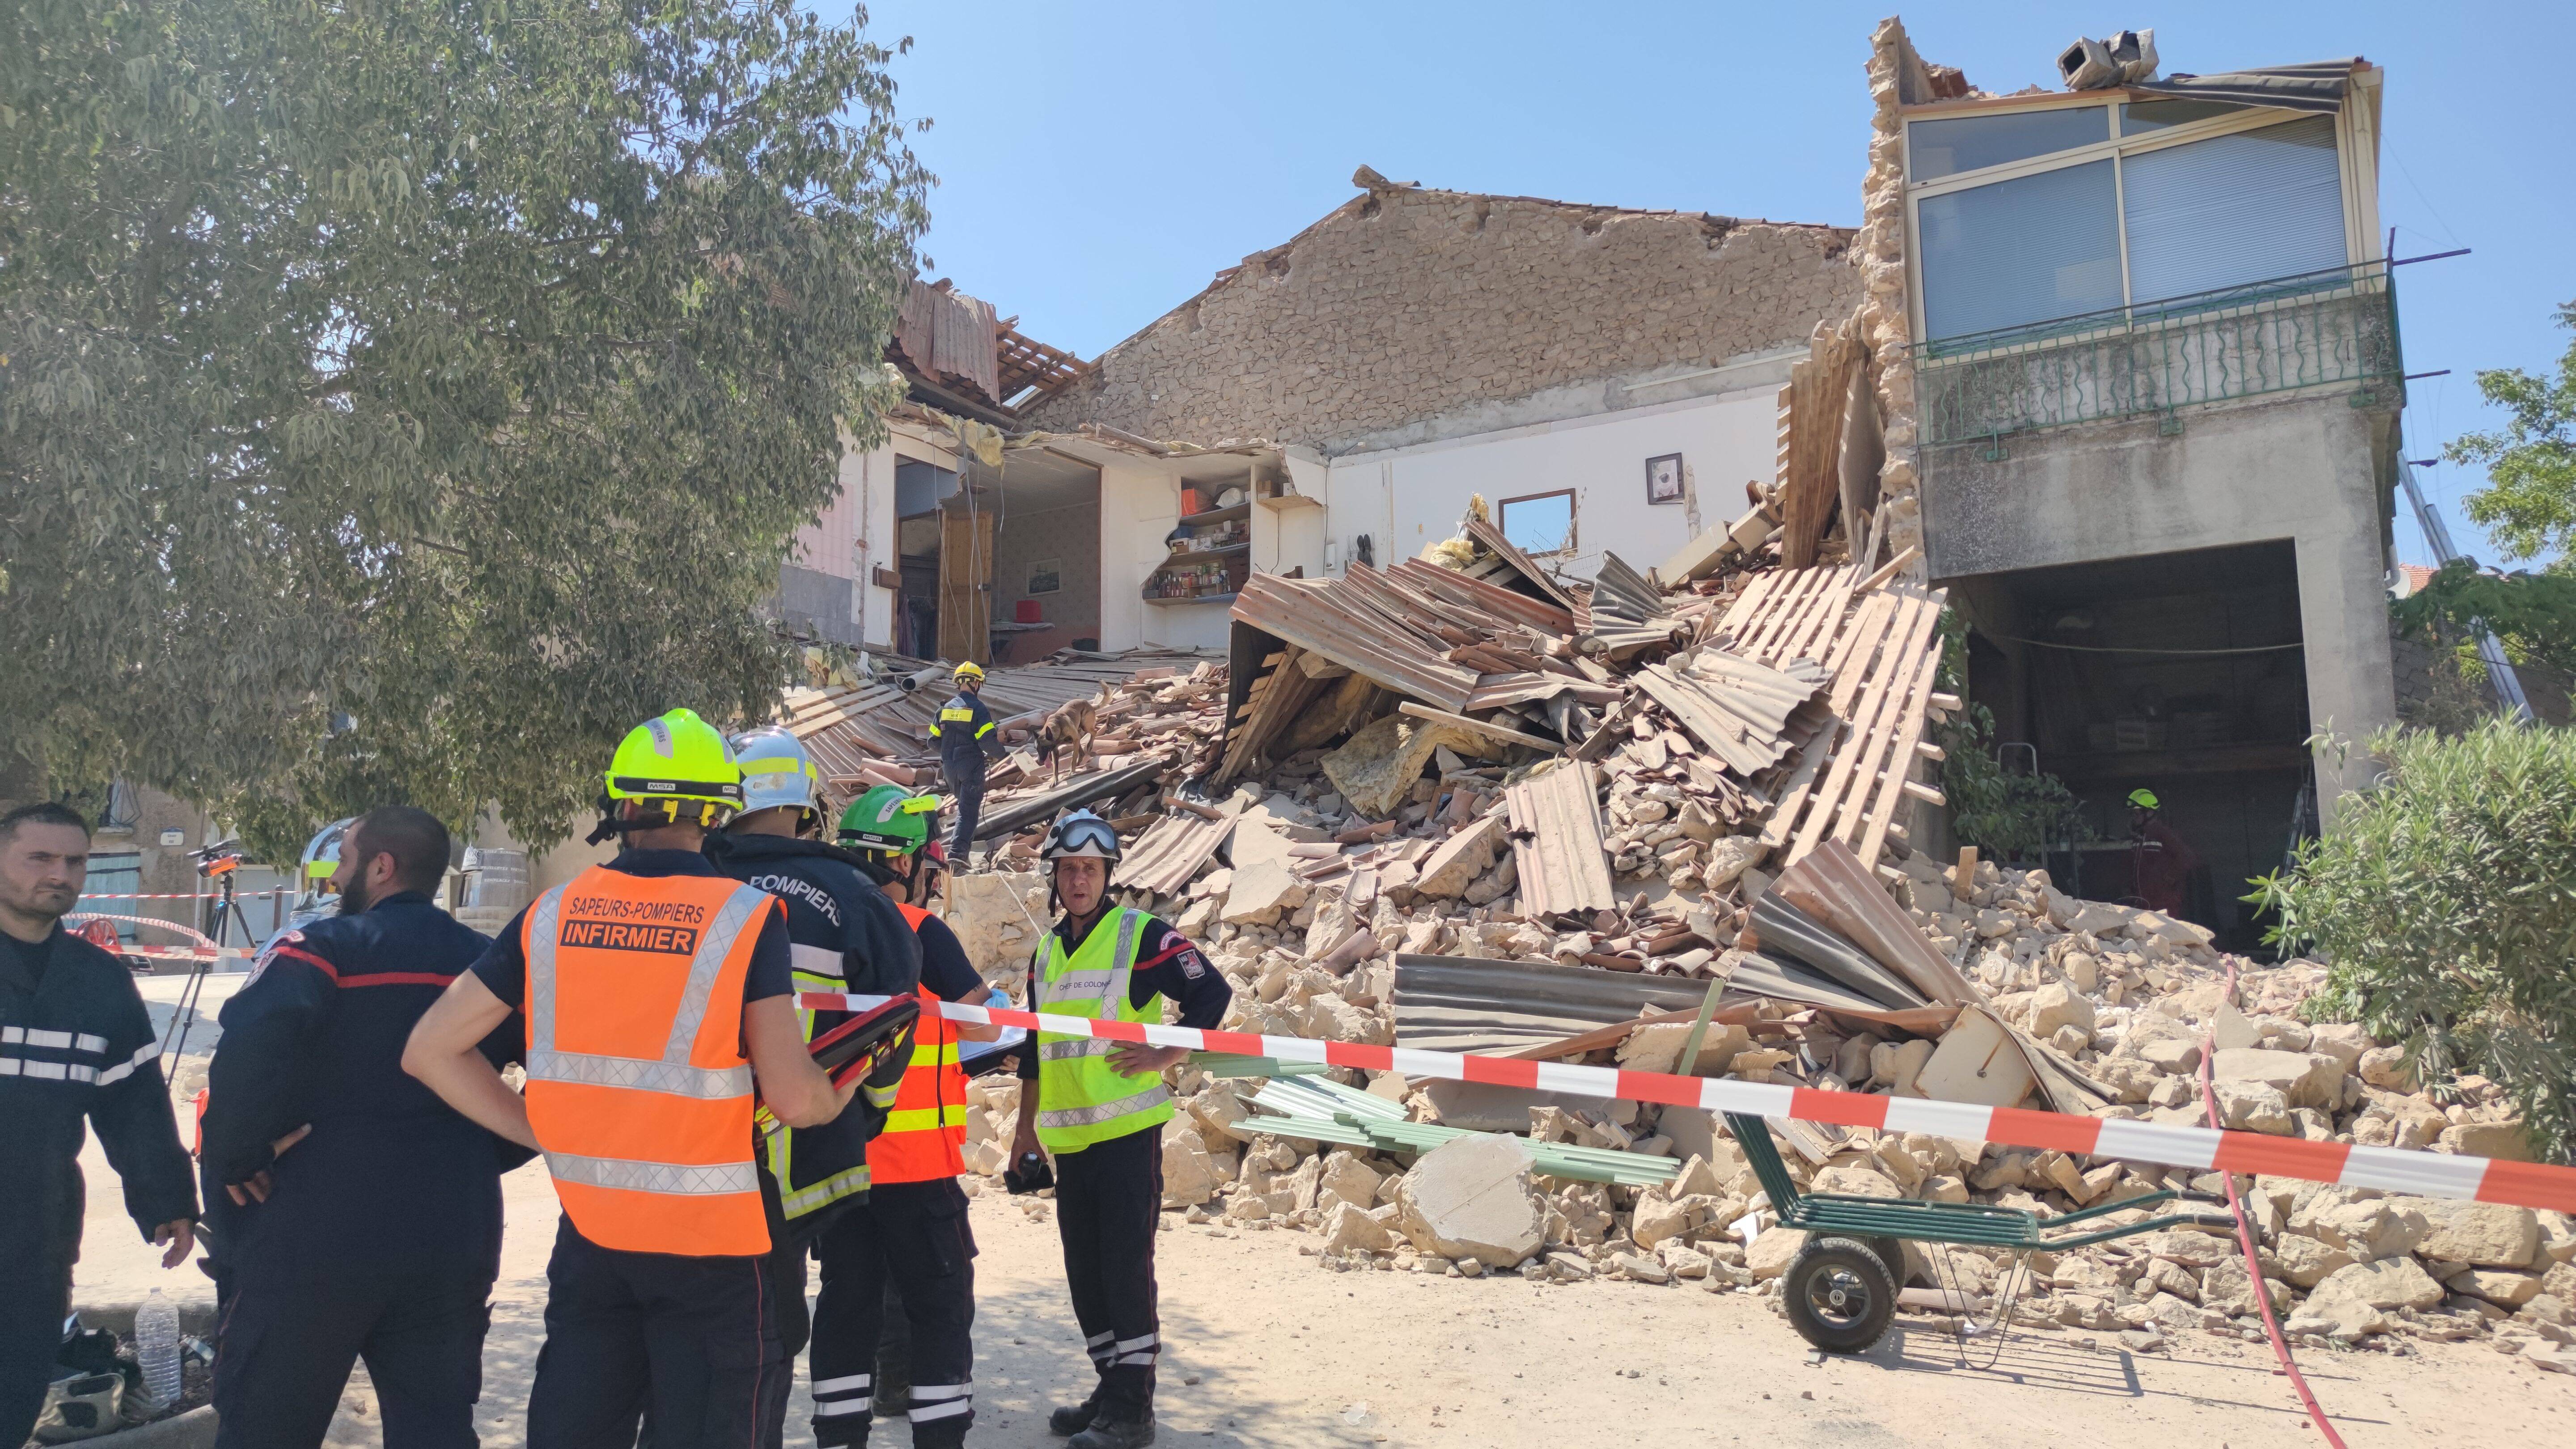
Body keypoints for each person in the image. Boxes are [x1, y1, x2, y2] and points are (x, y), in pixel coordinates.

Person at [403, 709, 862, 1449]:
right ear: (719, 812)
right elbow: (790, 1093)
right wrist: (831, 1095)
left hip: (594, 1235)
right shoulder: (745, 919)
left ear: (619, 809)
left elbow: (430, 1048)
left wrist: (537, 1130)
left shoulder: (549, 916)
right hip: (715, 1250)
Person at [200, 806, 528, 1449]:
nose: (338, 876)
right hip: (452, 1228)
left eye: (345, 860)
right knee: (435, 1427)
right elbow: (560, 1077)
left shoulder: (320, 950)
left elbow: (247, 1049)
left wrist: (239, 1158)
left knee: (266, 1424)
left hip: (317, 1229)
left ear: (381, 867)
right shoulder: (490, 967)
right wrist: (478, 1151)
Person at [703, 728, 922, 1442]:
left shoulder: (687, 882)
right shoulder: (851, 896)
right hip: (791, 1171)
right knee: (762, 1343)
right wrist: (865, 1115)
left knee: (672, 1353)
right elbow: (895, 1020)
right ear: (804, 808)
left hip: (673, 1162)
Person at [1012, 809, 1231, 1449]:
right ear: (1054, 876)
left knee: (1124, 1269)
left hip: (1128, 1135)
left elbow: (1211, 997)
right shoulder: (1047, 952)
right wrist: (1024, 1132)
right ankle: (1111, 1389)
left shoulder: (1140, 934)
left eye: (1090, 869)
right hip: (1070, 1142)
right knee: (1085, 1273)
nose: (1079, 880)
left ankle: (1133, 1413)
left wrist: (1165, 1056)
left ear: (1107, 875)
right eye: (1068, 869)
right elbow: (1033, 1049)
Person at [810, 788, 1008, 1447]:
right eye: (927, 861)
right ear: (904, 865)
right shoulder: (922, 932)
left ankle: (838, 1436)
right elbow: (982, 1021)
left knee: (845, 1308)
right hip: (917, 1168)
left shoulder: (818, 928)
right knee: (940, 1311)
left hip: (838, 1162)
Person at [0, 802, 197, 1448]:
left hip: (35, 1237)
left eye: (75, 861)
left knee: (13, 1398)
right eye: (40, 858)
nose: (60, 874)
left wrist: (166, 1199)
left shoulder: (100, 984)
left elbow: (134, 1102)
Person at [927, 662, 1006, 866]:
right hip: (970, 768)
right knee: (968, 811)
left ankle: (960, 856)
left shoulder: (943, 709)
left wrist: (950, 752)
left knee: (964, 807)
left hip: (950, 769)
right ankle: (958, 855)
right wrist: (1001, 756)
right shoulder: (978, 708)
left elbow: (933, 741)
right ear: (975, 684)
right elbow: (987, 741)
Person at [2126, 788, 2203, 920]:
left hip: (2165, 905)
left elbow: (2188, 857)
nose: (2134, 818)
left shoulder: (2163, 833)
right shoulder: (2140, 838)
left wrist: (2170, 878)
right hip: (2144, 905)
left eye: (2137, 814)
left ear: (2149, 813)